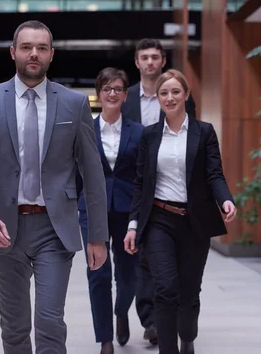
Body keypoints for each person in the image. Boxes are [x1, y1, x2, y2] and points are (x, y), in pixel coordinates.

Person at [0, 20, 109, 354]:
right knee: (14, 326)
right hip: (2, 228)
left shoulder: (74, 104)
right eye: (27, 47)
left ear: (51, 55)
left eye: (42, 48)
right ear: (13, 52)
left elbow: (92, 172)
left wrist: (97, 236)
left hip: (54, 228)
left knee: (49, 321)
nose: (34, 54)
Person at [123, 69, 237, 354]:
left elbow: (214, 174)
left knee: (188, 294)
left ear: (186, 95)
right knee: (164, 289)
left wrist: (226, 200)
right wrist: (134, 225)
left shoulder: (204, 132)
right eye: (164, 93)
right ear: (158, 98)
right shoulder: (149, 136)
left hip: (194, 222)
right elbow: (141, 184)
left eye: (175, 92)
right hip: (159, 220)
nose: (170, 97)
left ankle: (188, 336)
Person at [120, 38, 196, 344]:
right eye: (144, 58)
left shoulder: (180, 97)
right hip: (134, 190)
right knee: (142, 260)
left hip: (171, 192)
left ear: (163, 60)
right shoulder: (126, 101)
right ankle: (150, 319)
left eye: (155, 57)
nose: (150, 62)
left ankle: (169, 315)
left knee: (168, 260)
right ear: (137, 63)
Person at [77, 68, 144, 354]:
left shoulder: (139, 132)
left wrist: (139, 215)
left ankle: (120, 311)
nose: (112, 93)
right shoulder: (84, 131)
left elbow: (144, 177)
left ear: (126, 95)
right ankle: (105, 339)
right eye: (107, 89)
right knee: (99, 274)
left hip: (128, 210)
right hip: (93, 210)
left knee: (129, 275)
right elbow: (76, 173)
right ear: (98, 94)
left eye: (118, 89)